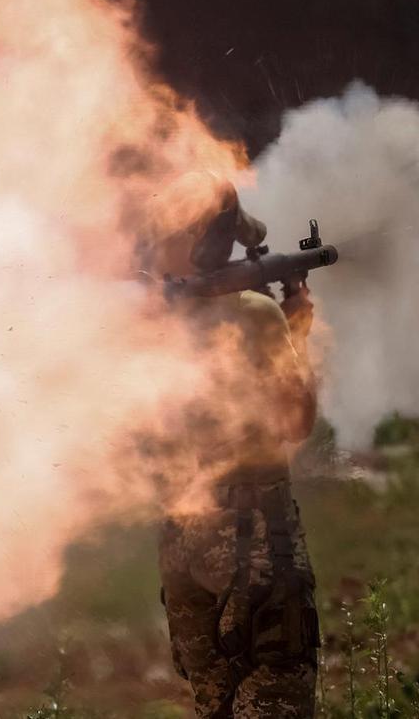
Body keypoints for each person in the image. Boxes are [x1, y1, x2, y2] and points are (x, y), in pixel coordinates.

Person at [143, 171, 320, 719]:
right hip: (253, 540)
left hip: (181, 540)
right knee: (275, 693)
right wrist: (298, 328)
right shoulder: (253, 314)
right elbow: (295, 421)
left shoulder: (150, 322)